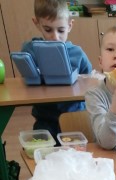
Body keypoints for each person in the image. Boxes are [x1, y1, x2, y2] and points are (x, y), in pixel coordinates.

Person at [22, 0, 92, 140]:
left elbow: (88, 79)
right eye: (48, 30)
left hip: (73, 116)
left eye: (61, 30)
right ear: (37, 23)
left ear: (70, 25)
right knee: (42, 149)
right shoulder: (30, 50)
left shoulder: (77, 54)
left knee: (77, 149)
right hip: (45, 117)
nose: (55, 37)